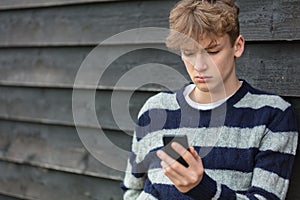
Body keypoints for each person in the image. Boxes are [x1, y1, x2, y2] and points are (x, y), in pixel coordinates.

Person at [121, 0, 298, 199]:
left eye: (212, 51)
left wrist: (201, 187)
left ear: (237, 46)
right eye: (189, 52)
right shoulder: (154, 109)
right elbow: (132, 190)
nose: (199, 65)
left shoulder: (271, 115)